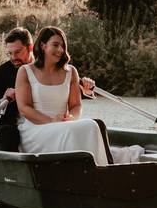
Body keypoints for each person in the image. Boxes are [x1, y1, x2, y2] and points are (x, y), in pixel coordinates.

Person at [0, 26, 95, 152]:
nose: (13, 57)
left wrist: (86, 87)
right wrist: (3, 101)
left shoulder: (51, 62)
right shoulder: (1, 73)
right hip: (15, 126)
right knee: (7, 135)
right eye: (10, 53)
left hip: (58, 121)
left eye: (18, 52)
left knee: (92, 126)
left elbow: (60, 93)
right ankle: (14, 169)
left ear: (30, 47)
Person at [15, 26, 112, 165]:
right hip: (35, 128)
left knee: (91, 125)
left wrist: (71, 118)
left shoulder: (70, 71)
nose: (61, 50)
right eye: (55, 45)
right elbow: (24, 108)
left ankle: (99, 171)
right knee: (70, 131)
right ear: (43, 46)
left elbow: (76, 105)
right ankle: (73, 171)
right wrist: (51, 120)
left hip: (63, 124)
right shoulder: (25, 71)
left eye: (63, 46)